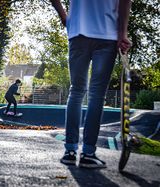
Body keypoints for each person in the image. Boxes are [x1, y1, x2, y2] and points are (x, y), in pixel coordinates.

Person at [50, 0, 132, 168]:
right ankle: (88, 153)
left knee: (76, 91)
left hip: (78, 32)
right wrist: (123, 33)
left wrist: (65, 17)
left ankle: (70, 152)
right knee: (97, 95)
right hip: (107, 33)